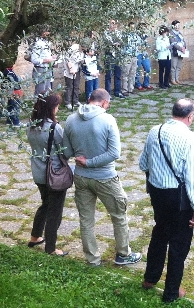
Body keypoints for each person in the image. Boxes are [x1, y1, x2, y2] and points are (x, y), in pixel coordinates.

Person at [62, 88, 141, 267]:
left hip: (81, 177)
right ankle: (123, 254)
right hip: (105, 177)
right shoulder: (108, 119)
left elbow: (66, 151)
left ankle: (93, 259)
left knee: (86, 220)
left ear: (90, 99)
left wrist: (83, 158)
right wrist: (91, 162)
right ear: (105, 102)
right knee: (119, 216)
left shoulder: (71, 119)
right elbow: (114, 153)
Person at [140, 99, 194, 303]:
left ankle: (150, 279)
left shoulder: (155, 131)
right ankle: (171, 292)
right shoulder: (190, 139)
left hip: (157, 192)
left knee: (160, 233)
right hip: (178, 197)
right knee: (179, 243)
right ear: (190, 117)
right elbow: (192, 177)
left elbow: (143, 163)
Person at [26, 93, 69, 255]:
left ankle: (35, 236)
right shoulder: (54, 128)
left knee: (45, 204)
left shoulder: (31, 125)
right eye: (57, 106)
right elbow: (64, 150)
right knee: (55, 211)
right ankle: (51, 248)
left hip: (38, 172)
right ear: (52, 108)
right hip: (54, 174)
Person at [30, 25, 57, 96]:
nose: (49, 33)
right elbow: (34, 59)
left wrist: (52, 58)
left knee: (47, 92)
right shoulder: (38, 43)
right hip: (40, 70)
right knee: (40, 92)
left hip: (47, 69)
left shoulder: (46, 43)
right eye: (48, 31)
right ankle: (37, 103)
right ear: (43, 32)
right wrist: (47, 60)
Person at [103, 19, 125, 99]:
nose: (114, 25)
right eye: (112, 23)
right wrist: (114, 43)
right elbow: (108, 43)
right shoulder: (105, 33)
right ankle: (108, 94)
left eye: (115, 23)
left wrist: (119, 43)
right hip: (109, 56)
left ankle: (117, 92)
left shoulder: (118, 33)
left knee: (118, 75)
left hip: (118, 56)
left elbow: (122, 42)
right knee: (108, 75)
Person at [121, 21, 141, 96]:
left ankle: (131, 88)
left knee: (133, 73)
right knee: (125, 73)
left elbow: (139, 44)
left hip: (134, 56)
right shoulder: (125, 36)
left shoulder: (136, 36)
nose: (133, 29)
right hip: (127, 56)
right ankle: (124, 90)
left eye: (134, 28)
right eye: (131, 27)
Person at [63, 43, 83, 110]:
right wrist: (71, 69)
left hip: (77, 69)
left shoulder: (82, 50)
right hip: (69, 70)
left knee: (76, 86)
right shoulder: (73, 48)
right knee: (69, 87)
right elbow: (67, 59)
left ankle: (75, 101)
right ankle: (67, 102)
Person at [170, 20, 187, 85]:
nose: (178, 27)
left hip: (181, 52)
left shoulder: (179, 33)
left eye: (179, 25)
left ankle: (177, 79)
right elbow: (173, 43)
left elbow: (183, 41)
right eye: (176, 25)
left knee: (179, 66)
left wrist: (184, 47)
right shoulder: (171, 33)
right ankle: (173, 79)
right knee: (173, 66)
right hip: (174, 52)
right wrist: (180, 48)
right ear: (173, 26)